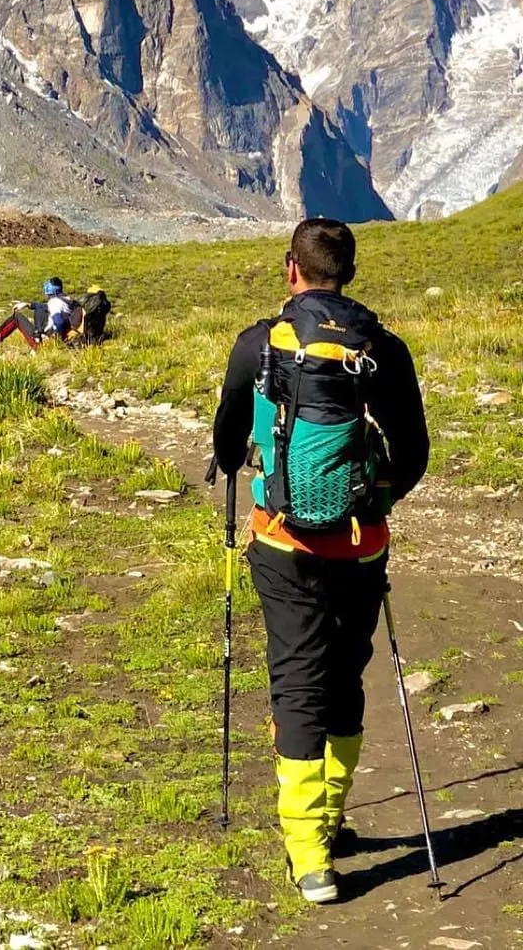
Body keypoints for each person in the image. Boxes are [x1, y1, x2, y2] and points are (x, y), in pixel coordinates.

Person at [211, 218, 429, 905]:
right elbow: (414, 452)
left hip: (283, 544)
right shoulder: (381, 349)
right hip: (361, 545)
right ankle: (329, 823)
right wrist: (375, 499)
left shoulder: (259, 344)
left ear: (291, 269)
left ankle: (310, 858)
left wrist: (239, 463)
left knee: (298, 681)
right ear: (350, 274)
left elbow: (227, 437)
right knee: (343, 677)